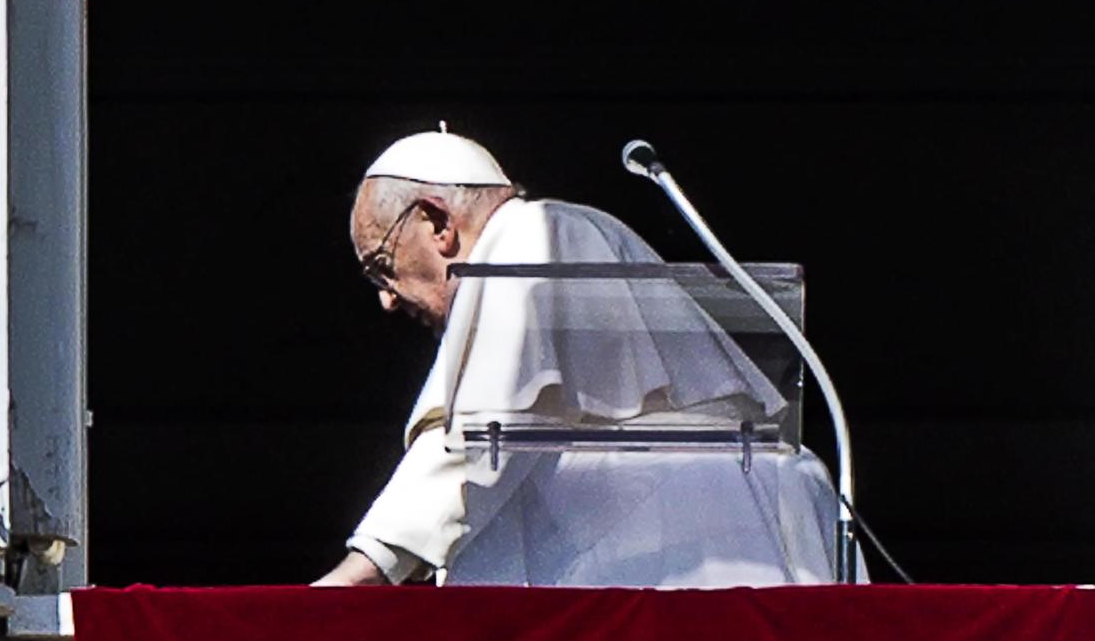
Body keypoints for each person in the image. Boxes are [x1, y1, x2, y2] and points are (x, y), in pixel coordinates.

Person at [314, 128, 843, 588]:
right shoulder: (573, 233)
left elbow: (487, 429)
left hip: (685, 557)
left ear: (437, 223)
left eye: (382, 266)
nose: (386, 298)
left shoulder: (532, 235)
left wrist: (365, 567)